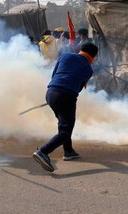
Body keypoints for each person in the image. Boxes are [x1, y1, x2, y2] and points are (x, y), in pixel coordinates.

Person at [33, 42, 99, 172]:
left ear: (81, 50)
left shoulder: (65, 56)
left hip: (51, 92)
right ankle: (43, 152)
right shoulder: (88, 69)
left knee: (63, 123)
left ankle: (68, 151)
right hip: (66, 96)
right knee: (66, 130)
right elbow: (79, 87)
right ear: (93, 56)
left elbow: (54, 74)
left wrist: (56, 92)